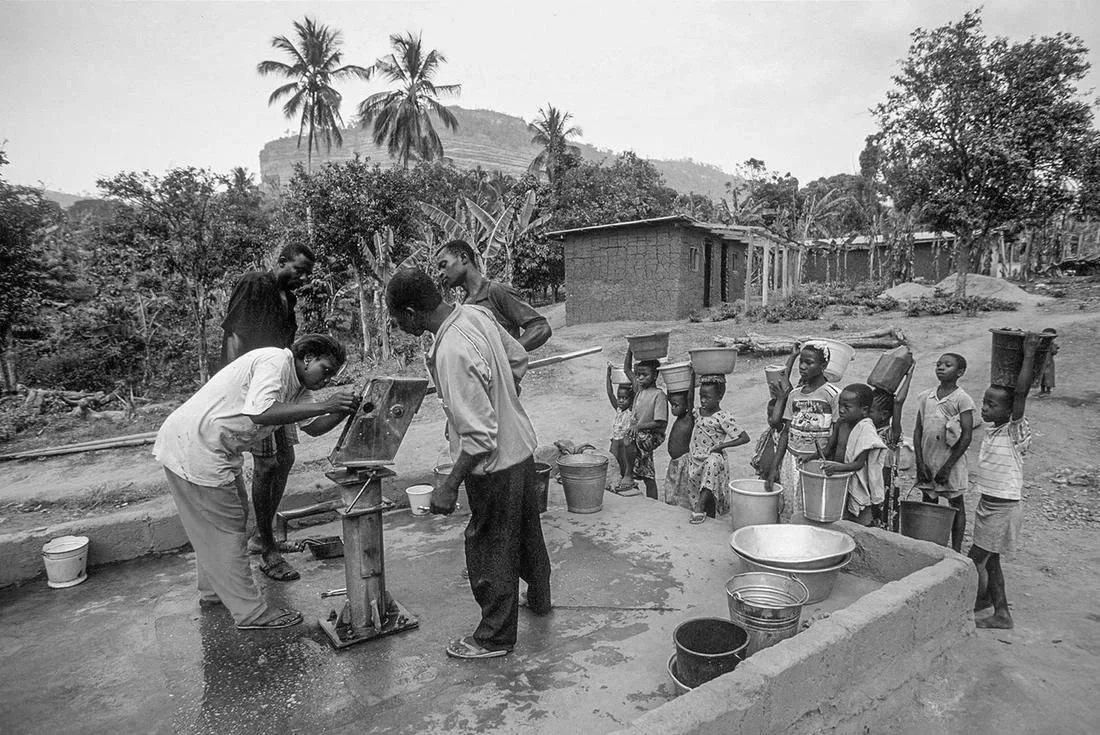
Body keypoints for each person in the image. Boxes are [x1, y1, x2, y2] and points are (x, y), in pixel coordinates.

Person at [386, 268, 551, 660]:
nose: (398, 327)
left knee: (489, 546)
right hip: (521, 449)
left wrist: (449, 485)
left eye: (397, 320)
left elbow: (479, 437)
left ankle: (495, 637)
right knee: (527, 532)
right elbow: (518, 357)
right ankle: (539, 598)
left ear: (411, 314)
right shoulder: (475, 314)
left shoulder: (451, 350)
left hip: (494, 467)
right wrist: (501, 397)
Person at [153, 335, 358, 629]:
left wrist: (341, 410)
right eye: (325, 370)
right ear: (308, 358)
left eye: (332, 376)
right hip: (197, 447)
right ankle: (250, 612)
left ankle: (214, 592)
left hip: (210, 448)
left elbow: (313, 428)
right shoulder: (275, 361)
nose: (327, 380)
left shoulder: (297, 386)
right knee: (227, 529)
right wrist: (326, 404)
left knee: (226, 523)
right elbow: (260, 412)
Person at [221, 242, 316, 582]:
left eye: (307, 274)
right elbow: (234, 335)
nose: (302, 278)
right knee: (267, 464)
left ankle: (264, 536)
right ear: (281, 261)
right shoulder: (254, 283)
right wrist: (236, 387)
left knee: (286, 458)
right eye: (299, 270)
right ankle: (268, 552)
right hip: (252, 389)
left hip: (276, 386)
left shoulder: (288, 299)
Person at [970, 333, 1038, 629]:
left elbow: (1020, 393)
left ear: (1010, 411)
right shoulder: (993, 431)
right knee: (992, 560)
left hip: (1004, 508)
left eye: (991, 405)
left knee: (972, 561)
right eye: (984, 403)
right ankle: (997, 609)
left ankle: (971, 604)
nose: (985, 408)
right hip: (988, 505)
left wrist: (1029, 354)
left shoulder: (1013, 432)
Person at [436, 239, 552, 351]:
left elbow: (540, 327)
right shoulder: (465, 306)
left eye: (443, 265)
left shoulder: (495, 291)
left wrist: (509, 355)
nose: (440, 273)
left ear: (463, 258)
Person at [770, 342, 840, 521]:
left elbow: (837, 432)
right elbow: (786, 432)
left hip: (816, 462)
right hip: (791, 460)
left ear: (823, 366)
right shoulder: (794, 395)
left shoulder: (832, 395)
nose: (802, 366)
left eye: (809, 363)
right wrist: (775, 465)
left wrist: (823, 454)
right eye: (801, 361)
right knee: (789, 505)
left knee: (811, 508)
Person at [913, 353, 975, 552]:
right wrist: (920, 462)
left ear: (960, 372)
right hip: (928, 460)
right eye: (938, 364)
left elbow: (966, 436)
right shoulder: (926, 397)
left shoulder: (962, 399)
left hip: (951, 463)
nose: (940, 368)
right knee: (928, 501)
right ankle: (931, 545)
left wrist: (948, 467)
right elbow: (918, 430)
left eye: (947, 365)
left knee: (955, 503)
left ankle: (956, 550)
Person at [684, 376, 750, 524]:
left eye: (707, 397)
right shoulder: (698, 412)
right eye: (701, 396)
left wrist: (721, 446)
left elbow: (744, 438)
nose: (703, 400)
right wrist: (692, 375)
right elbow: (689, 400)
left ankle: (699, 507)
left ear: (719, 397)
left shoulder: (723, 417)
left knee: (711, 468)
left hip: (712, 457)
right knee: (704, 493)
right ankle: (707, 517)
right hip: (696, 458)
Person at [820, 383, 887, 526]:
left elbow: (858, 464)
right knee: (835, 516)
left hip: (852, 477)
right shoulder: (840, 423)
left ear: (864, 410)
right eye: (840, 405)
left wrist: (837, 467)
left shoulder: (866, 429)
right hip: (837, 478)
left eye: (847, 407)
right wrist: (811, 457)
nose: (841, 410)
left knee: (857, 520)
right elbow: (828, 449)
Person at [869, 365, 914, 531]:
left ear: (884, 415)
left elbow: (898, 401)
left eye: (870, 411)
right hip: (871, 480)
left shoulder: (891, 434)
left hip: (885, 482)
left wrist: (909, 374)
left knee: (884, 519)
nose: (865, 414)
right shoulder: (867, 429)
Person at [622, 347, 668, 500]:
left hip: (653, 435)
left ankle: (628, 474)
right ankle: (630, 474)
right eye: (639, 374)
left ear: (655, 375)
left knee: (629, 439)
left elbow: (660, 422)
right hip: (639, 432)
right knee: (647, 471)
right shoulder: (639, 389)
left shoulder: (659, 395)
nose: (640, 378)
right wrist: (631, 347)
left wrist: (638, 427)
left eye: (645, 375)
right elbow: (626, 369)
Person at [605, 364, 638, 495]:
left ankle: (628, 485)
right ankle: (614, 485)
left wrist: (634, 376)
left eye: (625, 398)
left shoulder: (631, 411)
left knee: (625, 465)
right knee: (613, 463)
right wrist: (608, 375)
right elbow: (610, 393)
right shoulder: (618, 409)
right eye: (619, 397)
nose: (620, 400)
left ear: (631, 400)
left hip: (624, 443)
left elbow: (636, 392)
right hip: (615, 441)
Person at [663, 377, 696, 510]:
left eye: (676, 405)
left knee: (683, 487)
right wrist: (670, 380)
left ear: (686, 406)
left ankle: (684, 508)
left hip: (683, 461)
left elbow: (690, 397)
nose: (673, 409)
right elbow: (669, 396)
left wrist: (692, 376)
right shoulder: (679, 418)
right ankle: (672, 506)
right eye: (672, 405)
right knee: (672, 485)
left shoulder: (688, 418)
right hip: (674, 461)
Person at [1038, 329, 1058, 395]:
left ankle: (1046, 390)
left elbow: (1054, 352)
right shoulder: (1042, 344)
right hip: (1045, 362)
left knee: (1047, 376)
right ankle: (1044, 390)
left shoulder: (1049, 344)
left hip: (1047, 363)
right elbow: (1054, 352)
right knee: (1043, 377)